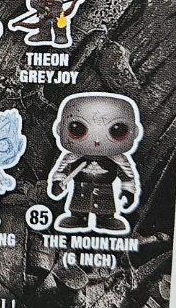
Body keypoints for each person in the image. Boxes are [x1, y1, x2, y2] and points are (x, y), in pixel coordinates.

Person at [47, 92, 142, 235]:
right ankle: (78, 217)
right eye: (77, 129)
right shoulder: (72, 157)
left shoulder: (118, 159)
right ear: (59, 129)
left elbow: (127, 175)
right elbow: (62, 170)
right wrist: (57, 183)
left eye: (117, 131)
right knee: (79, 203)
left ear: (135, 132)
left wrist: (128, 191)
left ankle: (106, 218)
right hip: (81, 188)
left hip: (105, 189)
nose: (97, 140)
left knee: (105, 204)